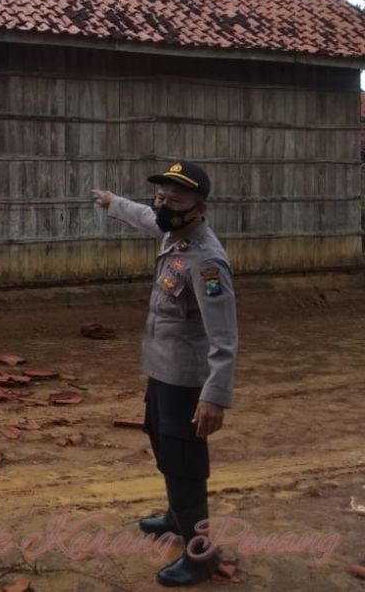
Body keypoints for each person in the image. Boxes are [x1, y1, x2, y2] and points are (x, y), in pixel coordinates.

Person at [92, 161, 238, 587]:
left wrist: (214, 395)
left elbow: (224, 335)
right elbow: (145, 216)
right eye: (161, 197)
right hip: (162, 368)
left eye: (175, 200)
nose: (163, 206)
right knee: (161, 440)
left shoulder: (207, 262)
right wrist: (113, 202)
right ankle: (177, 515)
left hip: (187, 380)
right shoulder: (174, 233)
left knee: (184, 462)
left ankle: (201, 554)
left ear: (199, 208)